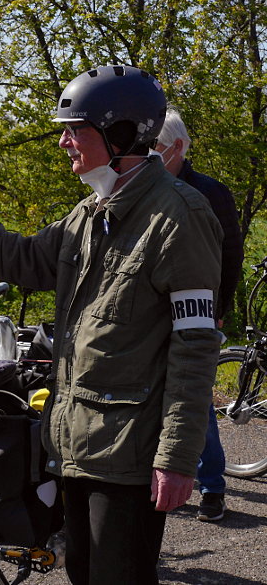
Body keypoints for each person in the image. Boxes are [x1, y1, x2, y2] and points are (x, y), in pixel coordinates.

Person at [0, 66, 223, 584]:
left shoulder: (178, 218)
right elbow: (24, 259)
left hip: (131, 452)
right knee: (82, 573)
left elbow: (196, 345)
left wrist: (178, 457)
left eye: (75, 130)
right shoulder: (90, 212)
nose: (62, 142)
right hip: (78, 444)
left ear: (121, 135)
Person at [153, 107, 244, 522]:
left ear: (177, 147)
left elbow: (230, 259)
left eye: (154, 146)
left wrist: (219, 311)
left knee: (196, 403)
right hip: (151, 316)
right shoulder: (141, 188)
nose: (147, 154)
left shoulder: (210, 191)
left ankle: (213, 487)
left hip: (196, 314)